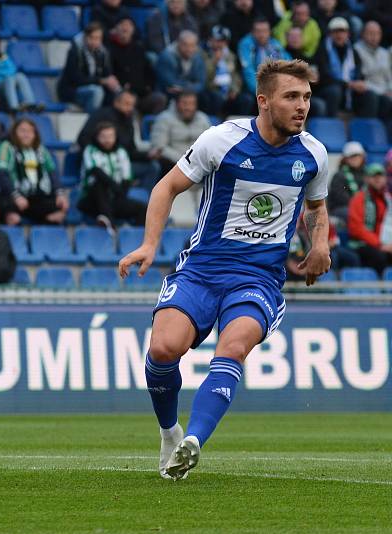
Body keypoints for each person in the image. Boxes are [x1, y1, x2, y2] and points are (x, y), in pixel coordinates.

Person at [118, 59, 330, 480]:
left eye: (306, 97)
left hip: (258, 279)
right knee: (163, 349)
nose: (302, 106)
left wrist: (320, 244)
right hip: (201, 270)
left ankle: (193, 442)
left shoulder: (313, 154)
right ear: (264, 101)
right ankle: (170, 432)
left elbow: (317, 207)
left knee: (232, 347)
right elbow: (167, 187)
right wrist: (148, 244)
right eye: (291, 96)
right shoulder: (222, 140)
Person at [0, 117, 68, 226]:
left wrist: (60, 193)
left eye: (30, 131)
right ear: (14, 132)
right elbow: (0, 175)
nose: (26, 134)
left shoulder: (41, 150)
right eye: (22, 131)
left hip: (33, 197)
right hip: (8, 195)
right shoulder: (5, 147)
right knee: (7, 208)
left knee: (59, 207)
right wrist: (16, 196)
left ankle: (43, 238)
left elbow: (52, 173)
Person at [77, 90, 161, 191]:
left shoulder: (129, 121)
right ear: (116, 102)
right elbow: (83, 139)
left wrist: (148, 156)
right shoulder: (101, 115)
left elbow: (130, 151)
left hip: (122, 162)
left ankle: (146, 200)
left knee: (153, 166)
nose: (130, 108)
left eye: (132, 105)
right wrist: (102, 155)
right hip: (100, 163)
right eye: (126, 104)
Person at [79, 122, 147, 231]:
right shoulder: (90, 150)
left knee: (142, 208)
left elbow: (126, 177)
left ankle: (137, 239)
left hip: (115, 198)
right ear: (96, 137)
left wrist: (120, 193)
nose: (107, 140)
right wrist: (114, 186)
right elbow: (96, 171)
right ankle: (110, 224)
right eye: (103, 137)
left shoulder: (121, 151)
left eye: (110, 136)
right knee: (99, 184)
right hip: (92, 200)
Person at [320, 17, 380, 118]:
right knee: (335, 91)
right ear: (330, 33)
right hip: (330, 89)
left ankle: (367, 129)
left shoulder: (353, 51)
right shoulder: (322, 50)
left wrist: (359, 82)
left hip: (350, 90)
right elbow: (324, 77)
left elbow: (359, 73)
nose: (339, 35)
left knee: (370, 95)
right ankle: (331, 127)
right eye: (335, 31)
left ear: (348, 34)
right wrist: (347, 84)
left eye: (342, 31)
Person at [106, 17, 166, 116]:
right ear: (115, 29)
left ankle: (153, 126)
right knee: (127, 105)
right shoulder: (109, 50)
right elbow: (108, 75)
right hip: (121, 95)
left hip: (141, 93)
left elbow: (149, 73)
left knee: (160, 98)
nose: (125, 28)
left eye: (128, 25)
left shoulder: (139, 48)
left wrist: (147, 87)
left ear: (133, 30)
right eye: (122, 25)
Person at [58, 22, 120, 113]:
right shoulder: (74, 51)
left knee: (120, 94)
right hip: (72, 91)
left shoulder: (103, 53)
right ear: (85, 37)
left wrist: (112, 83)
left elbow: (107, 74)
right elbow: (76, 79)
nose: (95, 41)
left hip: (95, 88)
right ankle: (91, 122)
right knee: (96, 92)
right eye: (92, 37)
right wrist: (101, 81)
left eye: (98, 38)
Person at [150, 91, 211, 175]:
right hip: (173, 167)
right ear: (176, 104)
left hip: (200, 166)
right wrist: (185, 161)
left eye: (192, 104)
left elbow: (210, 144)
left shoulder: (202, 118)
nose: (188, 107)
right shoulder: (164, 119)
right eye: (184, 103)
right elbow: (159, 148)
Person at [347, 163, 392, 275]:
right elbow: (356, 229)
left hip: (384, 244)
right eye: (373, 176)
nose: (377, 179)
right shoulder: (359, 199)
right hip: (361, 244)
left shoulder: (388, 200)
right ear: (367, 179)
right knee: (379, 257)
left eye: (380, 176)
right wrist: (380, 244)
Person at [0, 31, 38, 113]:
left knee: (20, 76)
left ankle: (30, 103)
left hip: (8, 80)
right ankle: (13, 106)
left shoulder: (4, 56)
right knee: (9, 79)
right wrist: (1, 77)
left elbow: (12, 69)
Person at [203, 25, 253, 116]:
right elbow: (204, 77)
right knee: (216, 98)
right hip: (212, 90)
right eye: (218, 40)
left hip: (228, 90)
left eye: (223, 41)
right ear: (210, 39)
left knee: (246, 99)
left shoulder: (230, 55)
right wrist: (214, 62)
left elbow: (235, 76)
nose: (220, 44)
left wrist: (234, 89)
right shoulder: (203, 53)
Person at [238, 18, 291, 97]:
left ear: (269, 32)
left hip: (276, 86)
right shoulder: (246, 44)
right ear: (252, 32)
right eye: (258, 31)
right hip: (254, 88)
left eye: (265, 31)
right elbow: (248, 71)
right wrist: (262, 91)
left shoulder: (274, 44)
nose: (262, 35)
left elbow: (288, 63)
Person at [155, 30, 207, 103]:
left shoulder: (197, 56)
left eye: (192, 45)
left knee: (209, 97)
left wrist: (186, 89)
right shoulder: (167, 57)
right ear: (178, 43)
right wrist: (191, 86)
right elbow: (171, 83)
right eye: (185, 45)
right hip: (168, 92)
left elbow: (201, 83)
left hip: (189, 91)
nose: (189, 49)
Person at [354, 21, 392, 117]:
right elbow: (360, 78)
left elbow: (389, 76)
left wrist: (390, 89)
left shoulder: (384, 53)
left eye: (377, 33)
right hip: (366, 89)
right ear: (363, 34)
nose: (374, 37)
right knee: (375, 98)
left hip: (384, 90)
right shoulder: (356, 50)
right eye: (370, 33)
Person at [328, 141, 366, 224]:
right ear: (345, 159)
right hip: (341, 208)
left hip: (360, 206)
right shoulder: (339, 175)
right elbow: (340, 198)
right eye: (352, 156)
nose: (355, 158)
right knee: (354, 213)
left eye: (358, 155)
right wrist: (358, 206)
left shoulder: (366, 174)